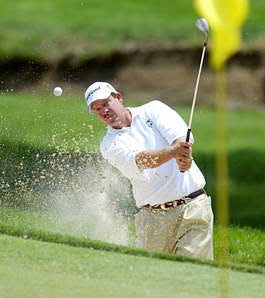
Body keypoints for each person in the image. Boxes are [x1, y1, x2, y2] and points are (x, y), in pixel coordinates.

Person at [84, 81, 213, 260]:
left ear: (119, 97)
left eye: (106, 103)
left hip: (192, 208)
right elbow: (141, 161)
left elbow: (180, 138)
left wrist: (184, 153)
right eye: (97, 109)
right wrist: (174, 152)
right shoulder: (109, 145)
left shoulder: (154, 109)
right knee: (152, 279)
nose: (104, 111)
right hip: (153, 219)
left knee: (193, 271)